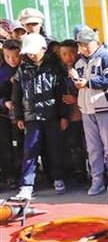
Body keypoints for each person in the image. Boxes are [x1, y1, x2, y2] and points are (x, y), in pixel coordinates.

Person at [11, 33, 67, 199]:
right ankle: (26, 185)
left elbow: (61, 94)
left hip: (51, 115)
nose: (32, 55)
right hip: (31, 117)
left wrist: (63, 116)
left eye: (34, 52)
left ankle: (58, 178)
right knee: (30, 151)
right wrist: (18, 117)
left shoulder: (54, 68)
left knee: (55, 148)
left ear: (44, 49)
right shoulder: (22, 70)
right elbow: (16, 95)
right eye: (29, 52)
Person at [74, 27, 108, 195]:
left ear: (96, 42)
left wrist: (88, 83)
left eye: (88, 44)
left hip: (105, 107)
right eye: (82, 44)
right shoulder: (79, 63)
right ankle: (97, 181)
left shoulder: (104, 58)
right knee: (93, 149)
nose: (85, 47)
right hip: (87, 109)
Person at [58, 40, 87, 184]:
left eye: (71, 53)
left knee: (88, 146)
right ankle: (79, 172)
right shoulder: (59, 72)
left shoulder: (82, 67)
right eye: (64, 54)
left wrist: (75, 98)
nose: (68, 57)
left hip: (84, 113)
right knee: (73, 145)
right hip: (69, 115)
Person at [0, 39, 22, 188]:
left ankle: (22, 174)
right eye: (8, 57)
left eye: (15, 56)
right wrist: (4, 102)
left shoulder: (26, 68)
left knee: (22, 145)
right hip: (4, 116)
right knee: (5, 145)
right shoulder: (2, 71)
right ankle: (9, 176)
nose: (12, 60)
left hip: (23, 114)